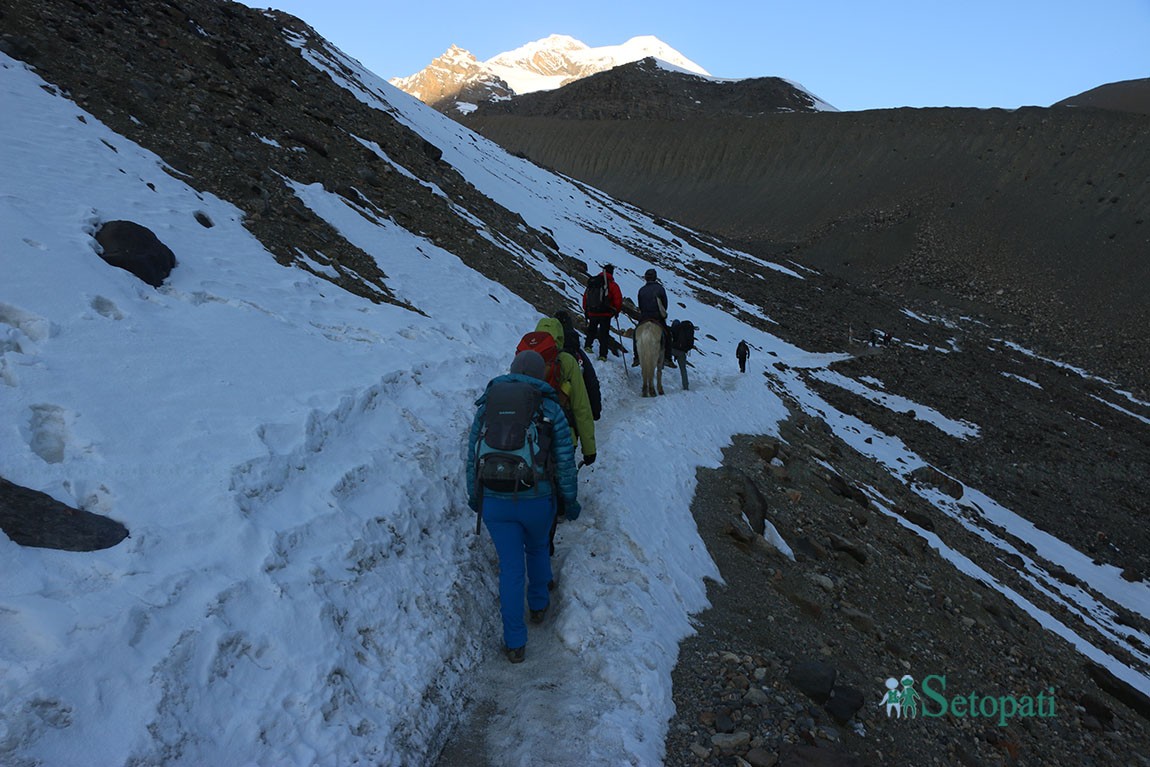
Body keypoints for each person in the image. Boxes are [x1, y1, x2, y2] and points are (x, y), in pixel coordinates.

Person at [467, 350, 581, 664]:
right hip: (537, 498)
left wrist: (475, 496)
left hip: (494, 500)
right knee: (538, 547)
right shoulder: (550, 407)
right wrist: (569, 500)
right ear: (540, 374)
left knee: (511, 568)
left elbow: (472, 454)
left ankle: (515, 642)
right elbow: (565, 462)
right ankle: (539, 604)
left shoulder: (488, 405)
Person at [534, 317, 597, 466]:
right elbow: (580, 406)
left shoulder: (525, 356)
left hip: (530, 435)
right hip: (564, 435)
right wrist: (589, 449)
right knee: (563, 476)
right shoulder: (567, 361)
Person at [554, 310, 602, 422]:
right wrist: (595, 412)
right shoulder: (574, 350)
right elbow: (591, 382)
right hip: (567, 413)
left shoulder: (541, 350)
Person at [631, 267, 675, 368]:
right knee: (668, 335)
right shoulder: (660, 289)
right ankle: (668, 358)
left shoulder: (642, 290)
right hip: (657, 317)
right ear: (655, 277)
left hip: (644, 317)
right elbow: (665, 304)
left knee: (636, 334)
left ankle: (637, 357)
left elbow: (640, 305)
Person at [581, 264, 623, 362]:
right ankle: (602, 355)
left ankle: (587, 346)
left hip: (592, 312)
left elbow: (586, 297)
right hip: (605, 313)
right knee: (604, 335)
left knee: (591, 330)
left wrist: (587, 310)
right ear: (612, 273)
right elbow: (618, 300)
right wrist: (616, 311)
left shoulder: (594, 282)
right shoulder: (612, 285)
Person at [669, 320, 695, 390]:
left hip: (672, 349)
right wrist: (685, 349)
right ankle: (685, 386)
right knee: (683, 369)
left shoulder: (674, 329)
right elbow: (690, 344)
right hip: (682, 352)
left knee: (662, 357)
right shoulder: (686, 331)